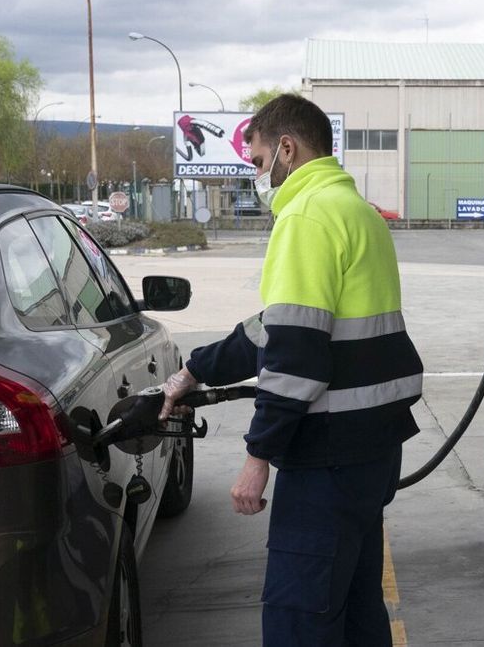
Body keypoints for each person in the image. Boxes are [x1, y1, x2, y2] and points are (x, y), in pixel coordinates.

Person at [160, 93, 423, 646]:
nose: (260, 177)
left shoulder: (306, 215)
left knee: (299, 621)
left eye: (258, 162)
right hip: (372, 451)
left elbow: (297, 358)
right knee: (356, 610)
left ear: (287, 147)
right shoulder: (358, 213)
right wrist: (196, 371)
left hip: (326, 458)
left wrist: (259, 458)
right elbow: (278, 328)